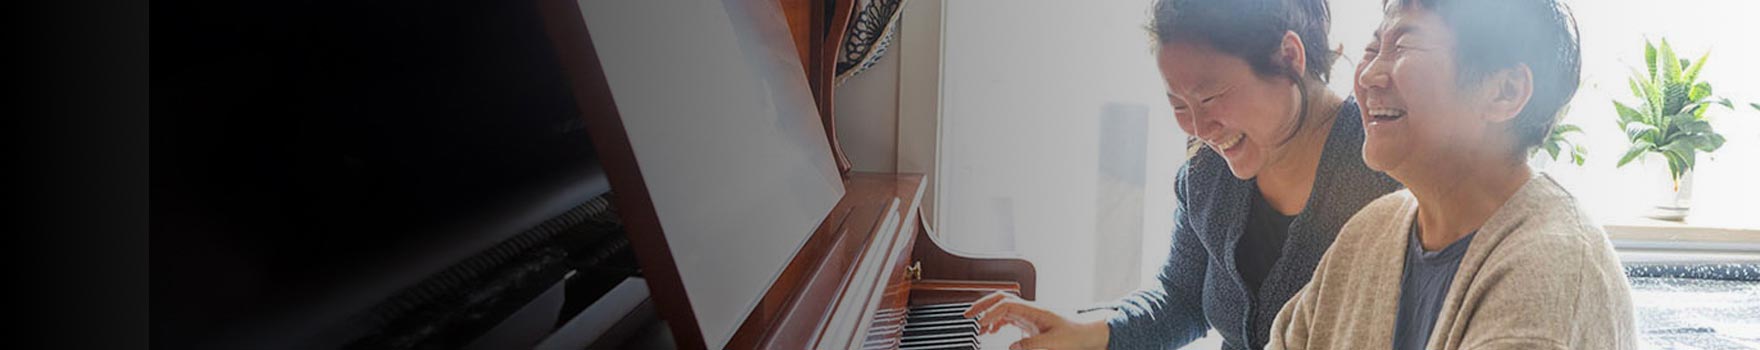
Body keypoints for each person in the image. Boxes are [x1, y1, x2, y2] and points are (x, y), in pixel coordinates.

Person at [962, 0, 1402, 348]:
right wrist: (1085, 332)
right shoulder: (1208, 172)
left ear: (1288, 56)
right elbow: (1183, 296)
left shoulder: (1387, 176)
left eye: (1209, 98)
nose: (1197, 129)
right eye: (1177, 105)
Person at [1265, 0, 1636, 349]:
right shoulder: (1371, 231)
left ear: (1504, 92)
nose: (1369, 76)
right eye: (1374, 48)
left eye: (1405, 46)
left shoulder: (1553, 267)